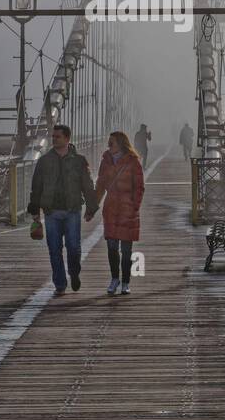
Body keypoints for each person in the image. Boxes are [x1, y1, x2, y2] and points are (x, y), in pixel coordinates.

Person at [27, 124, 98, 296]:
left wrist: (91, 208)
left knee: (74, 247)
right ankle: (60, 283)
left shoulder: (79, 161)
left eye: (58, 136)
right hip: (51, 211)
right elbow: (36, 186)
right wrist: (35, 209)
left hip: (72, 210)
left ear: (67, 139)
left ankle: (74, 273)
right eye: (53, 136)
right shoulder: (44, 161)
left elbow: (87, 185)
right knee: (54, 248)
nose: (54, 139)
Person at [95, 130, 145, 296]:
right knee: (111, 247)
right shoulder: (105, 161)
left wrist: (134, 207)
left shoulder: (133, 162)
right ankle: (114, 279)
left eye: (112, 143)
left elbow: (139, 187)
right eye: (108, 143)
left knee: (126, 250)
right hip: (110, 209)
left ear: (120, 144)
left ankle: (125, 282)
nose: (108, 146)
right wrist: (92, 206)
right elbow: (101, 184)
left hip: (127, 209)